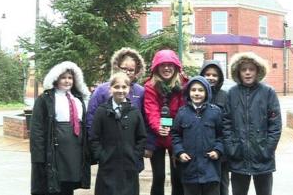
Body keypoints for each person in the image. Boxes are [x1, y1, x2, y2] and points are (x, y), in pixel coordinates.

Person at [223, 52, 282, 195]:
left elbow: (275, 124)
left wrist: (268, 149)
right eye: (244, 69)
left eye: (251, 69)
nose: (248, 73)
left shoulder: (268, 92)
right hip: (239, 156)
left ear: (258, 71)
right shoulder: (231, 93)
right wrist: (232, 148)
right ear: (238, 72)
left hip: (262, 157)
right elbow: (226, 123)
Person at [30, 61, 91, 195]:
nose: (67, 81)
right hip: (55, 151)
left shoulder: (78, 99)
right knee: (53, 185)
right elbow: (37, 129)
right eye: (63, 77)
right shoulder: (46, 99)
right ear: (56, 79)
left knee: (67, 186)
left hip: (74, 151)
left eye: (70, 78)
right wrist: (38, 157)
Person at [91, 72, 147, 195]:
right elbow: (94, 137)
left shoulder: (134, 112)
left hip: (129, 164)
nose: (120, 90)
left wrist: (135, 155)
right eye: (116, 87)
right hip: (108, 164)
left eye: (124, 87)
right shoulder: (102, 111)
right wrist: (101, 155)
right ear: (110, 88)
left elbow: (141, 137)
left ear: (129, 89)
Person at [144, 49, 188, 195]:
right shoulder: (150, 87)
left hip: (176, 136)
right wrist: (158, 127)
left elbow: (183, 111)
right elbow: (152, 110)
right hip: (157, 137)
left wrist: (176, 131)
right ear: (157, 67)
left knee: (178, 177)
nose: (167, 68)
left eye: (170, 64)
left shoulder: (183, 85)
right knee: (159, 176)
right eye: (163, 65)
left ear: (176, 67)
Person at [171, 76, 224, 195]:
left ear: (207, 92)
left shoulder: (215, 112)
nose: (197, 93)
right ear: (188, 92)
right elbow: (175, 135)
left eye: (201, 90)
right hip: (190, 170)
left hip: (211, 170)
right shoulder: (182, 112)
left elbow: (221, 135)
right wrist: (180, 152)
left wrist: (218, 150)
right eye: (193, 90)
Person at [199, 60, 229, 195]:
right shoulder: (197, 94)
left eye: (214, 75)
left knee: (222, 184)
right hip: (201, 148)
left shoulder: (225, 96)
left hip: (220, 148)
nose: (211, 77)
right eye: (207, 74)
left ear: (220, 77)